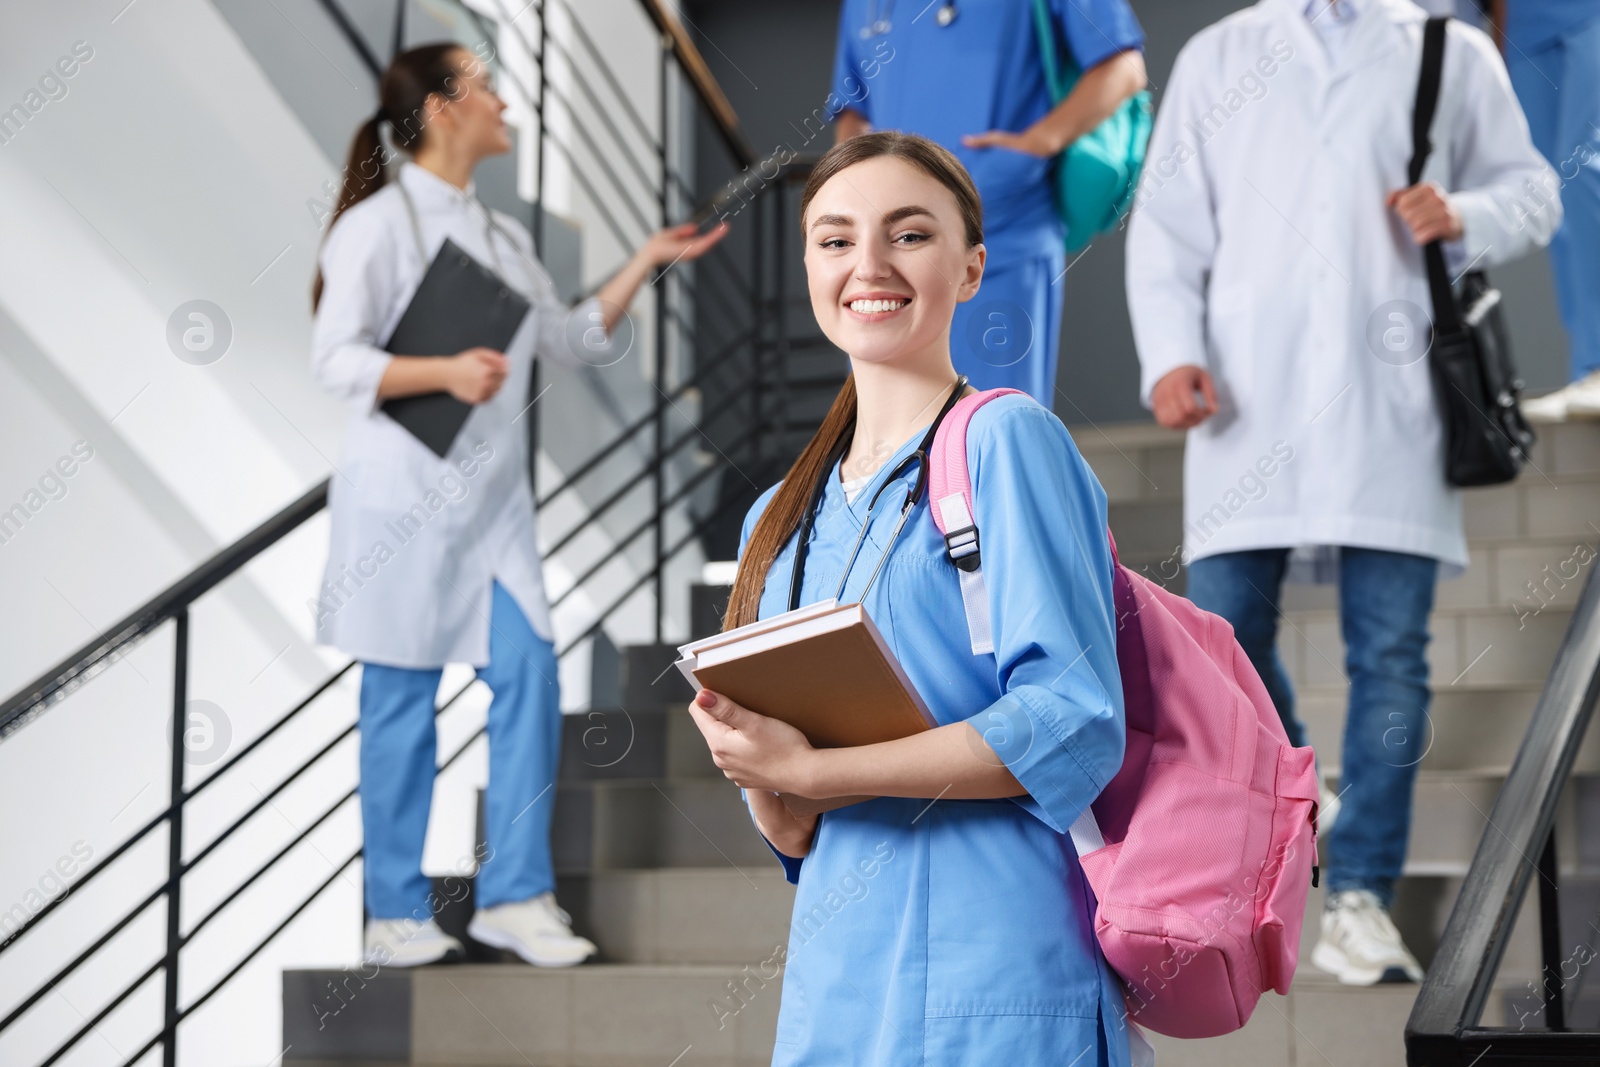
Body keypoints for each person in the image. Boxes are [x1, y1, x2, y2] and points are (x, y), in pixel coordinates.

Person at [1126, 0, 1557, 986]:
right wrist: (1172, 354)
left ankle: (1357, 893)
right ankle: (1301, 785)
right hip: (1243, 404)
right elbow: (1167, 224)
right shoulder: (1218, 54)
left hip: (1392, 406)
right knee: (1219, 641)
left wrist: (1466, 214)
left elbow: (1534, 190)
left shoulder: (1447, 48)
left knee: (1391, 651)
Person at [687, 131, 1137, 1066]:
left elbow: (1070, 722)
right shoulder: (775, 518)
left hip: (1001, 973)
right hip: (840, 982)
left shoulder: (1006, 443)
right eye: (835, 238)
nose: (869, 266)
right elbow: (795, 831)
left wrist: (813, 773)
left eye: (910, 234)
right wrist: (766, 778)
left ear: (971, 268)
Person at [310, 43, 727, 968]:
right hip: (403, 508)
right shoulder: (376, 227)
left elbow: (571, 337)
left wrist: (647, 260)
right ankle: (394, 914)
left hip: (492, 513)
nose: (505, 100)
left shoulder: (500, 238)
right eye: (486, 85)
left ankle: (513, 896)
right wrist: (444, 370)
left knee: (531, 675)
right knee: (401, 702)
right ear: (444, 109)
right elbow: (334, 358)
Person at [828, 0, 1147, 402]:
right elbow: (852, 110)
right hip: (888, 256)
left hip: (1003, 239)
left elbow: (1124, 66)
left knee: (991, 433)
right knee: (888, 435)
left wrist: (1039, 142)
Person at [1490, 0, 1600, 421]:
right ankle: (1586, 370)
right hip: (1525, 27)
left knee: (1585, 172)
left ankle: (1596, 363)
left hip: (1587, 14)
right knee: (1549, 197)